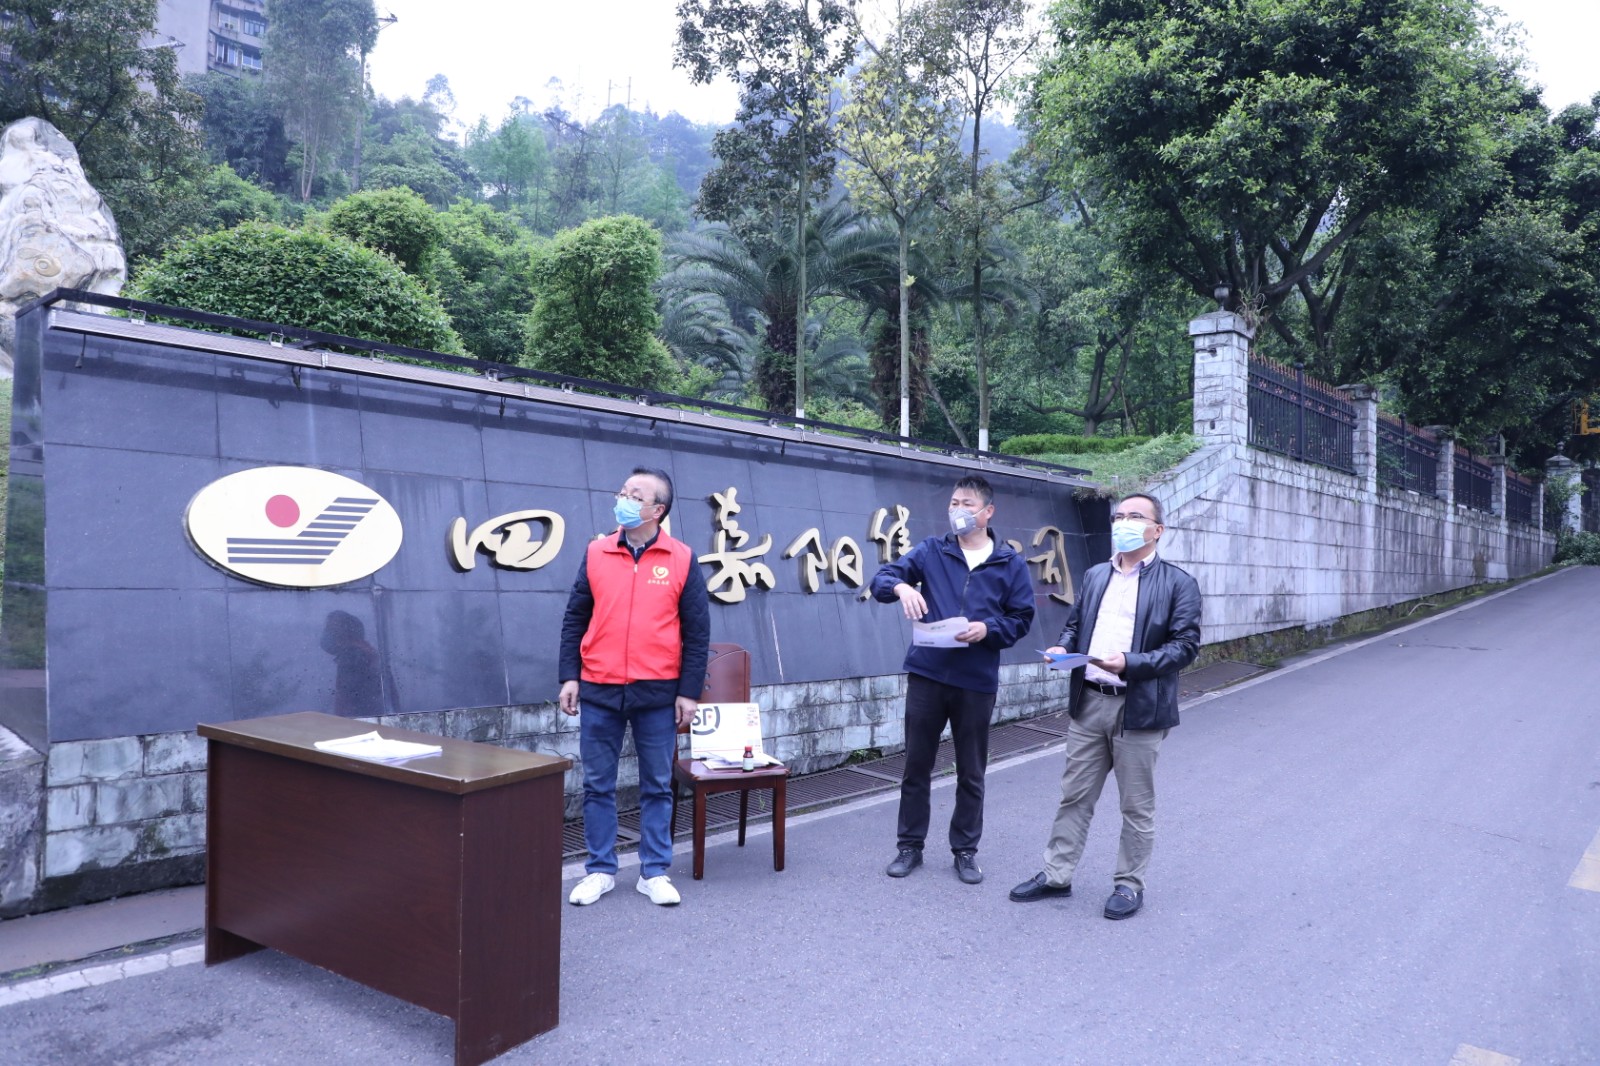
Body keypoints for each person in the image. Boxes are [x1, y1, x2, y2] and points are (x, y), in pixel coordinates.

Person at [1009, 492, 1200, 920]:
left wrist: (1130, 663)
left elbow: (1185, 647)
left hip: (1139, 708)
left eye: (1135, 516)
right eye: (1119, 516)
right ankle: (1056, 875)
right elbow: (1076, 625)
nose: (1124, 523)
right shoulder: (1097, 575)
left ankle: (1129, 885)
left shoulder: (1178, 583)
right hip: (1089, 701)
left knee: (1136, 805)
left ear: (1157, 530)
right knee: (1074, 796)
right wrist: (1063, 647)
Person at [871, 474, 1035, 885]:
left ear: (987, 512)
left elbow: (1021, 619)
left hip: (975, 679)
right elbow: (881, 580)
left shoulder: (1009, 563)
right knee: (916, 765)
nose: (958, 511)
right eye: (954, 503)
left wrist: (987, 629)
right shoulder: (932, 550)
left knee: (971, 771)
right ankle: (910, 846)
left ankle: (965, 850)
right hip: (928, 673)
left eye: (967, 504)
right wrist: (902, 587)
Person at [559, 467, 710, 907]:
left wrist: (688, 692)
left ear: (657, 510)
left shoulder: (681, 558)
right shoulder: (597, 552)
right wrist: (570, 675)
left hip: (657, 691)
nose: (623, 500)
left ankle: (654, 871)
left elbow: (697, 632)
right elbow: (575, 617)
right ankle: (600, 870)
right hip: (600, 686)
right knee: (597, 785)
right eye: (622, 492)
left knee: (658, 785)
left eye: (635, 495)